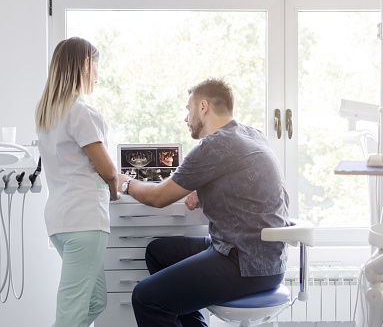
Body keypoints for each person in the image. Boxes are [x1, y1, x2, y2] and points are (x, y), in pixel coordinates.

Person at [118, 78, 290, 327]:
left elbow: (158, 198)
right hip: (264, 256)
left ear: (203, 107)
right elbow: (249, 182)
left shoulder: (216, 145)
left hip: (246, 263)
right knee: (158, 253)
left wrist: (126, 182)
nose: (185, 117)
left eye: (188, 109)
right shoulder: (251, 135)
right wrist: (204, 189)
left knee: (145, 297)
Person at [35, 37, 119, 327]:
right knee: (70, 313)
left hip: (60, 220)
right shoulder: (81, 112)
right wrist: (116, 184)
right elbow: (107, 169)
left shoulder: (49, 113)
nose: (98, 75)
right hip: (84, 220)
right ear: (86, 64)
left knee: (96, 301)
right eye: (96, 66)